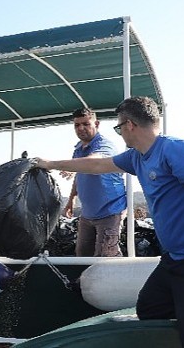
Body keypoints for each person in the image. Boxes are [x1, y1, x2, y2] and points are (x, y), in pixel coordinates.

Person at [35, 96, 184, 347]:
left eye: (119, 127)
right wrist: (49, 164)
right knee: (150, 309)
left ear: (129, 125)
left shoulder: (174, 149)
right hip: (173, 260)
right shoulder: (136, 157)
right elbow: (97, 164)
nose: (119, 133)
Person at [63, 108, 127, 257]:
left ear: (96, 123)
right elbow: (79, 175)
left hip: (110, 212)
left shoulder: (105, 145)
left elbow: (93, 162)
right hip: (87, 214)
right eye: (77, 125)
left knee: (105, 257)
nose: (81, 128)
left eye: (85, 124)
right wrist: (71, 199)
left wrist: (67, 165)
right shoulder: (78, 150)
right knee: (81, 256)